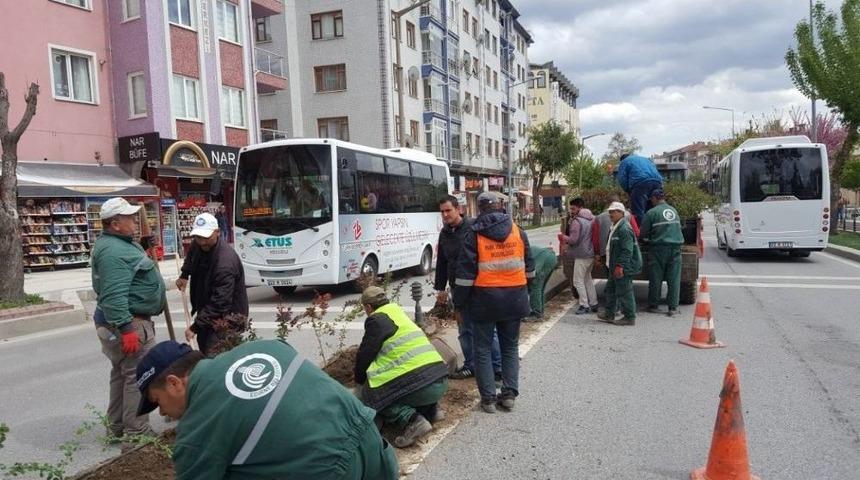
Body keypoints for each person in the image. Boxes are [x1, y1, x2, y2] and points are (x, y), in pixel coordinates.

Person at [136, 340, 399, 479]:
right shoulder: (263, 347)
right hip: (372, 442)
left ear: (174, 383)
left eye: (157, 402)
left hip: (327, 469)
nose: (161, 413)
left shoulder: (196, 431)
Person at [91, 197, 166, 443]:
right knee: (138, 375)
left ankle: (117, 428)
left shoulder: (118, 244)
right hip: (128, 322)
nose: (135, 220)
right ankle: (137, 432)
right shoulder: (113, 251)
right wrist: (126, 328)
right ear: (114, 223)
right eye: (129, 217)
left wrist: (142, 248)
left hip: (123, 321)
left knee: (123, 374)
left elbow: (130, 273)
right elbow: (113, 295)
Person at [454, 191, 534, 413]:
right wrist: (528, 294)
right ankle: (508, 395)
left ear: (480, 208)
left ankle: (488, 399)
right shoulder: (517, 231)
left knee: (482, 349)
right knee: (509, 348)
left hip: (484, 301)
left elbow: (464, 276)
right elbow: (530, 267)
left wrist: (459, 304)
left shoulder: (474, 233)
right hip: (515, 298)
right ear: (500, 207)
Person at [354, 287, 449, 448]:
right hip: (440, 380)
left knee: (373, 397)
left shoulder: (376, 320)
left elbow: (366, 353)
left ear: (368, 307)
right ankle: (433, 411)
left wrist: (359, 381)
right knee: (411, 380)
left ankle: (414, 421)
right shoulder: (397, 313)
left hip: (422, 387)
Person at [433, 195, 502, 380]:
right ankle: (471, 365)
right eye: (442, 212)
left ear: (458, 209)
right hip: (458, 289)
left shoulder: (473, 228)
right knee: (464, 329)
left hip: (478, 288)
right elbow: (442, 262)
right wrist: (441, 288)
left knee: (487, 329)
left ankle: (497, 367)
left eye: (448, 210)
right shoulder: (445, 233)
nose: (445, 215)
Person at [176, 213, 249, 357]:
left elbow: (220, 302)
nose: (202, 242)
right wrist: (184, 274)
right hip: (208, 314)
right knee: (204, 346)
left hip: (227, 319)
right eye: (198, 237)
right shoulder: (198, 244)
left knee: (215, 356)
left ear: (217, 233)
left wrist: (195, 326)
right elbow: (192, 255)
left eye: (206, 238)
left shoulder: (224, 263)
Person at [640, 189, 684, 317]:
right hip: (675, 248)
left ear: (654, 198)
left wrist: (645, 239)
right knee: (674, 279)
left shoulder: (651, 213)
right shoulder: (674, 211)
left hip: (658, 249)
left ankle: (654, 305)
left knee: (656, 277)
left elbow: (643, 233)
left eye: (651, 199)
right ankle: (673, 308)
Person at [597, 202, 643, 326]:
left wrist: (620, 266)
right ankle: (609, 314)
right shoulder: (615, 226)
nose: (611, 214)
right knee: (610, 290)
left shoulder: (624, 229)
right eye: (610, 211)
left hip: (621, 267)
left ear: (621, 213)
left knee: (625, 291)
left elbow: (627, 250)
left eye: (614, 211)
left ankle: (629, 317)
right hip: (613, 266)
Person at [558, 198, 598, 314]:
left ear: (580, 208)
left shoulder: (576, 221)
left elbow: (574, 240)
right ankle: (594, 303)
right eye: (570, 208)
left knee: (577, 281)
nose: (571, 210)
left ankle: (584, 305)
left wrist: (562, 237)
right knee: (587, 279)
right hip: (590, 253)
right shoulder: (592, 219)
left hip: (581, 254)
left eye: (573, 208)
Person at [616, 153, 664, 225]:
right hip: (657, 182)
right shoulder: (646, 159)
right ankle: (657, 227)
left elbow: (622, 179)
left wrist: (628, 191)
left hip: (640, 183)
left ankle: (641, 232)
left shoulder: (624, 162)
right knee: (654, 207)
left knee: (638, 210)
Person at [528, 245, 558, 319]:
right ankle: (540, 310)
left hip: (543, 260)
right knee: (540, 288)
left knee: (535, 286)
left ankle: (536, 313)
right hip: (551, 257)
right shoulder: (521, 248)